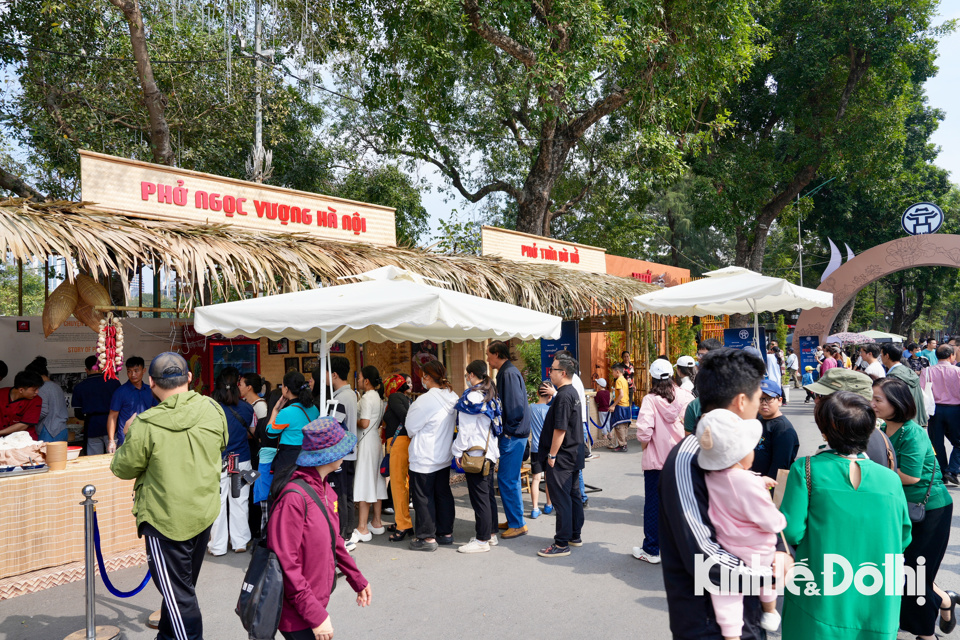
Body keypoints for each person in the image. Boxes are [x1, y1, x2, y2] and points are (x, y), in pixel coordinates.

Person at [660, 347, 785, 639]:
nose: (759, 405)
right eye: (758, 397)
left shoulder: (731, 450)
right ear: (742, 401)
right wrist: (769, 575)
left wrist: (779, 551)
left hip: (746, 609)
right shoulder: (688, 457)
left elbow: (758, 516)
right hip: (709, 622)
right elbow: (703, 554)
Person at [110, 352, 228, 640]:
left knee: (179, 596)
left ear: (151, 382)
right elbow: (222, 444)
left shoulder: (145, 424)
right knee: (180, 589)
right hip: (203, 512)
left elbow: (122, 468)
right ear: (188, 378)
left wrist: (127, 432)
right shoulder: (212, 408)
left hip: (165, 520)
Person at [779, 391, 911, 640]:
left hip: (820, 589)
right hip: (877, 596)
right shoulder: (891, 479)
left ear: (825, 431)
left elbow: (791, 530)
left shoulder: (806, 469)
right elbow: (903, 536)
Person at [267, 416, 372, 640]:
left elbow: (336, 543)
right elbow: (287, 564)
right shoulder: (294, 498)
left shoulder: (326, 490)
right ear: (328, 455)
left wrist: (357, 580)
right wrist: (316, 616)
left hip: (313, 603)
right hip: (296, 613)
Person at [871, 377, 956, 639]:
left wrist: (867, 470)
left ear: (897, 403)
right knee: (909, 572)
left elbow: (910, 476)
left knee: (915, 576)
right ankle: (944, 599)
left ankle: (925, 634)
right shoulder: (883, 429)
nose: (872, 404)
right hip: (900, 508)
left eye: (877, 400)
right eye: (871, 398)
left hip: (929, 510)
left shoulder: (913, 432)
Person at [696, 408, 786, 637]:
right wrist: (780, 519)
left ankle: (731, 634)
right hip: (754, 551)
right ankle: (770, 611)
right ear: (739, 454)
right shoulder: (746, 483)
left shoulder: (711, 476)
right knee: (768, 578)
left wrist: (757, 480)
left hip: (725, 548)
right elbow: (769, 520)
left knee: (726, 598)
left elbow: (734, 484)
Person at [632, 358, 694, 564]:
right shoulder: (685, 396)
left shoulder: (650, 399)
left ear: (652, 377)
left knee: (653, 505)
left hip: (656, 462)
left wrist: (646, 447)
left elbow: (644, 432)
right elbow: (691, 425)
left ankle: (651, 549)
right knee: (680, 505)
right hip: (680, 459)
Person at [405, 359, 458, 551]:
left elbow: (410, 428)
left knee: (423, 497)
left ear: (427, 377)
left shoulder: (424, 401)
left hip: (424, 456)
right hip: (444, 454)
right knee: (443, 494)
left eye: (422, 376)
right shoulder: (452, 396)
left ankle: (427, 538)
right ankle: (445, 533)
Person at [537, 355, 585, 558]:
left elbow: (560, 429)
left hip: (563, 456)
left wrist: (552, 455)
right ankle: (574, 535)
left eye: (553, 369)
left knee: (561, 498)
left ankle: (561, 542)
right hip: (573, 454)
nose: (550, 373)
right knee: (572, 496)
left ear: (563, 373)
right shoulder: (570, 392)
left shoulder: (565, 395)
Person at [804, 367, 898, 471]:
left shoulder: (854, 444)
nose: (816, 400)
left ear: (847, 402)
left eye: (821, 396)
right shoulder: (864, 434)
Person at [452, 360, 502, 554]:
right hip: (488, 453)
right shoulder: (490, 394)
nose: (466, 379)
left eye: (467, 375)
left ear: (472, 375)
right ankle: (490, 534)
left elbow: (465, 430)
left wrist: (457, 451)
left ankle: (482, 540)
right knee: (487, 495)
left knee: (480, 498)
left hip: (476, 454)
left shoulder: (472, 397)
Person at [208, 370, 255, 556]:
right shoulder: (246, 408)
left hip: (218, 461)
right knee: (240, 501)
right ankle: (240, 542)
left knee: (217, 503)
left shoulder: (210, 408)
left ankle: (217, 546)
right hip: (240, 460)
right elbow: (251, 429)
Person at [487, 340, 530, 540]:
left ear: (497, 353)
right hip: (514, 434)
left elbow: (514, 408)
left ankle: (517, 523)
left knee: (507, 479)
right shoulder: (508, 372)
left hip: (513, 435)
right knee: (507, 480)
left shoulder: (508, 373)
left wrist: (508, 432)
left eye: (489, 354)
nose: (487, 359)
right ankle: (514, 519)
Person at [266, 371, 321, 505]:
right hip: (309, 457)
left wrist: (275, 411)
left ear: (286, 389)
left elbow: (270, 433)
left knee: (285, 496)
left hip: (289, 460)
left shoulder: (286, 412)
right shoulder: (314, 409)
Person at [349, 365, 389, 546]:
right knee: (376, 480)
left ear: (366, 381)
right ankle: (377, 522)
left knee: (365, 481)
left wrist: (351, 419)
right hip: (375, 442)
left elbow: (364, 423)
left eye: (359, 378)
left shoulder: (366, 398)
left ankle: (362, 527)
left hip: (365, 442)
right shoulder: (379, 399)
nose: (358, 381)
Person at [327, 355, 359, 540]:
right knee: (347, 495)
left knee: (341, 495)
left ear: (334, 375)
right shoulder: (351, 394)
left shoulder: (340, 398)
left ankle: (344, 534)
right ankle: (348, 531)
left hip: (341, 453)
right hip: (349, 451)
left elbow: (333, 426)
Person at [382, 374, 414, 542]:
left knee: (397, 485)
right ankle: (402, 521)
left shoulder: (395, 397)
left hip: (398, 444)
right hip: (403, 443)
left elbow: (405, 418)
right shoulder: (405, 398)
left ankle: (403, 525)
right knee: (402, 483)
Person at [922, 345, 960, 485]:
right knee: (958, 442)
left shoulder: (927, 371)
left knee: (937, 443)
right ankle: (952, 469)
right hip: (955, 410)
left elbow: (923, 392)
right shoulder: (957, 371)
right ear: (951, 356)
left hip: (934, 410)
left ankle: (942, 474)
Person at [73, 355, 121, 454]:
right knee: (114, 457)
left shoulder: (79, 387)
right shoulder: (114, 383)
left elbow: (78, 413)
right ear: (102, 367)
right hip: (112, 425)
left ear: (86, 370)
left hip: (92, 426)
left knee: (94, 459)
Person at [106, 356, 156, 453]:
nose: (133, 374)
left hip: (147, 439)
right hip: (126, 441)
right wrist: (111, 441)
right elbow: (113, 416)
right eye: (129, 371)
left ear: (144, 370)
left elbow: (154, 412)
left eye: (136, 370)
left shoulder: (150, 391)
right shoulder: (120, 392)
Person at [752, 380, 798, 481]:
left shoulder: (783, 429)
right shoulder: (758, 420)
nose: (764, 403)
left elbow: (780, 467)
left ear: (780, 401)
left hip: (768, 486)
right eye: (760, 399)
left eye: (769, 398)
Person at [880, 343, 927, 428]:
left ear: (887, 356)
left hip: (903, 423)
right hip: (915, 420)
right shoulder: (909, 371)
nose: (881, 357)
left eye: (881, 355)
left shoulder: (893, 376)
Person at [24, 357, 68, 442]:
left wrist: (28, 420)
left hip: (49, 431)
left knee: (47, 455)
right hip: (62, 429)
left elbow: (43, 411)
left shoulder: (41, 389)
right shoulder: (56, 386)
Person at [684, 338, 724, 433]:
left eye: (703, 355)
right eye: (698, 354)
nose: (699, 357)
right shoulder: (700, 374)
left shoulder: (725, 375)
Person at [528, 382, 552, 518]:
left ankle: (535, 508)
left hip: (535, 448)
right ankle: (548, 504)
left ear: (537, 393)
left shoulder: (530, 408)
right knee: (549, 478)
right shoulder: (550, 410)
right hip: (548, 449)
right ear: (550, 397)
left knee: (536, 479)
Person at [0, 370, 43, 438]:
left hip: (23, 440)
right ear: (21, 390)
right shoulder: (1, 393)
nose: (37, 392)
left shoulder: (36, 400)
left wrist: (0, 432)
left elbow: (23, 425)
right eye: (34, 390)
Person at [607, 363, 631, 452]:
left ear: (617, 371)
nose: (612, 374)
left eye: (613, 372)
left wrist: (613, 405)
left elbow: (621, 394)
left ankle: (622, 445)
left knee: (619, 426)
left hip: (620, 406)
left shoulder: (618, 381)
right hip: (626, 405)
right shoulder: (624, 380)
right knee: (624, 426)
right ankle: (624, 443)